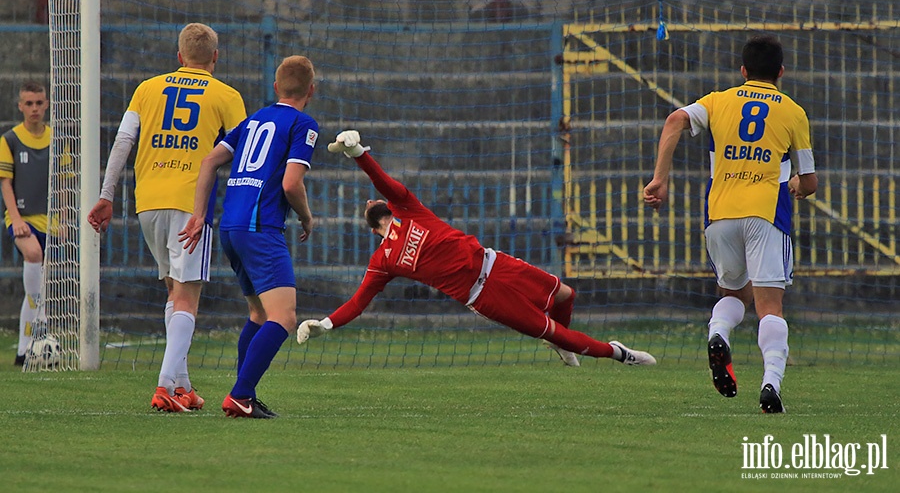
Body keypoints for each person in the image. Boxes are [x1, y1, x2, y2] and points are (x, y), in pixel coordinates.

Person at [295, 130, 657, 369]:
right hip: (484, 295)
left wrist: (358, 152)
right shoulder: (383, 260)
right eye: (368, 204)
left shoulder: (407, 208)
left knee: (565, 294)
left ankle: (561, 342)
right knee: (556, 331)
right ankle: (621, 354)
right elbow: (359, 301)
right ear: (372, 227)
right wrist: (324, 323)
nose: (372, 199)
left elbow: (382, 180)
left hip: (495, 263)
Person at [643, 34, 817, 414]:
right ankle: (771, 384)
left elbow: (675, 120)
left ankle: (718, 333)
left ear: (743, 71)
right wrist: (797, 186)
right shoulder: (792, 111)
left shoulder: (718, 100)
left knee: (732, 294)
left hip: (719, 214)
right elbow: (810, 181)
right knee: (769, 305)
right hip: (766, 214)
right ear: (781, 72)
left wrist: (660, 179)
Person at [87, 23, 246, 412]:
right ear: (215, 57)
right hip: (191, 204)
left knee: (174, 291)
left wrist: (106, 196)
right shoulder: (226, 95)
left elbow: (124, 141)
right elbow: (243, 155)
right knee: (188, 296)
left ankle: (183, 386)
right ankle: (163, 386)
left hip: (148, 201)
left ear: (178, 57)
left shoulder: (147, 89)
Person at [179, 55, 318, 419]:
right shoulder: (303, 124)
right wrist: (306, 217)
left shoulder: (253, 119)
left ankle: (246, 395)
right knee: (284, 317)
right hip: (260, 229)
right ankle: (240, 395)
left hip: (231, 227)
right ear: (311, 91)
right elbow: (291, 183)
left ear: (276, 87)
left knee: (258, 312)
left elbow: (209, 161)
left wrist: (198, 215)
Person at [1, 82, 51, 366]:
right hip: (22, 219)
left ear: (46, 105)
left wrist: (65, 219)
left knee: (41, 279)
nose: (34, 108)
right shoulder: (9, 140)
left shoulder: (56, 138)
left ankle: (23, 352)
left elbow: (64, 182)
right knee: (33, 255)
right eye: (28, 103)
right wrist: (16, 219)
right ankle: (42, 324)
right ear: (20, 106)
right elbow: (5, 183)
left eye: (39, 103)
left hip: (50, 221)